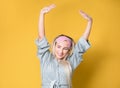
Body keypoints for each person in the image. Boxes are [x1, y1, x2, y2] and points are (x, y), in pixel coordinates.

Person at [35, 4, 93, 88]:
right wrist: (42, 14)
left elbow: (82, 44)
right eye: (59, 46)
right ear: (54, 46)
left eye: (65, 48)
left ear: (69, 50)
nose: (61, 51)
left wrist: (90, 22)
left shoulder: (71, 62)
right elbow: (41, 37)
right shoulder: (46, 58)